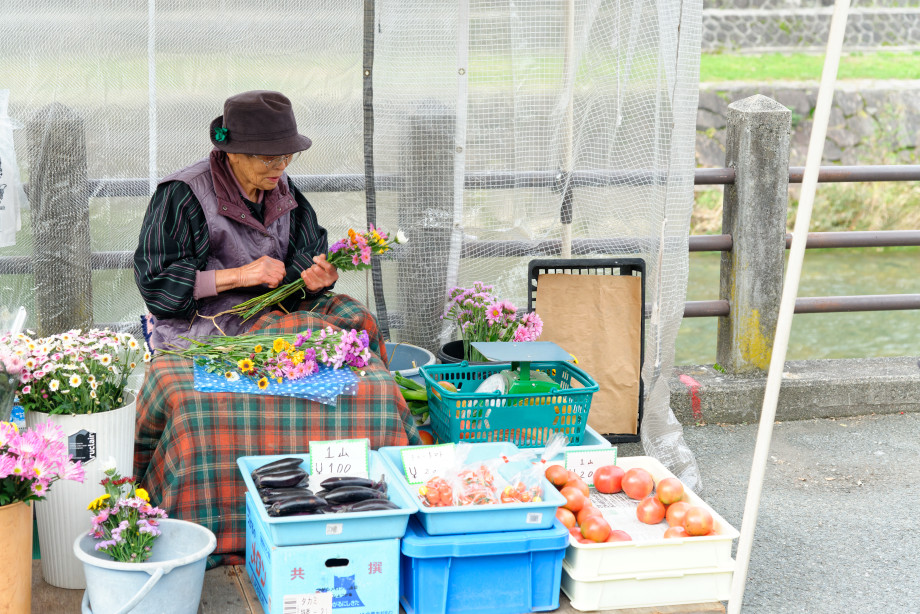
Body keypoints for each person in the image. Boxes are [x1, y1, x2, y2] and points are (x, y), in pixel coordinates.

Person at [134, 90, 339, 349]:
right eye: (269, 157)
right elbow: (157, 285)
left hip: (274, 310)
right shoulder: (183, 195)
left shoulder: (279, 185)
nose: (281, 166)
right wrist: (240, 276)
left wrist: (313, 280)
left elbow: (309, 249)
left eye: (287, 155)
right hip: (207, 322)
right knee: (319, 336)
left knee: (355, 319)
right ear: (232, 153)